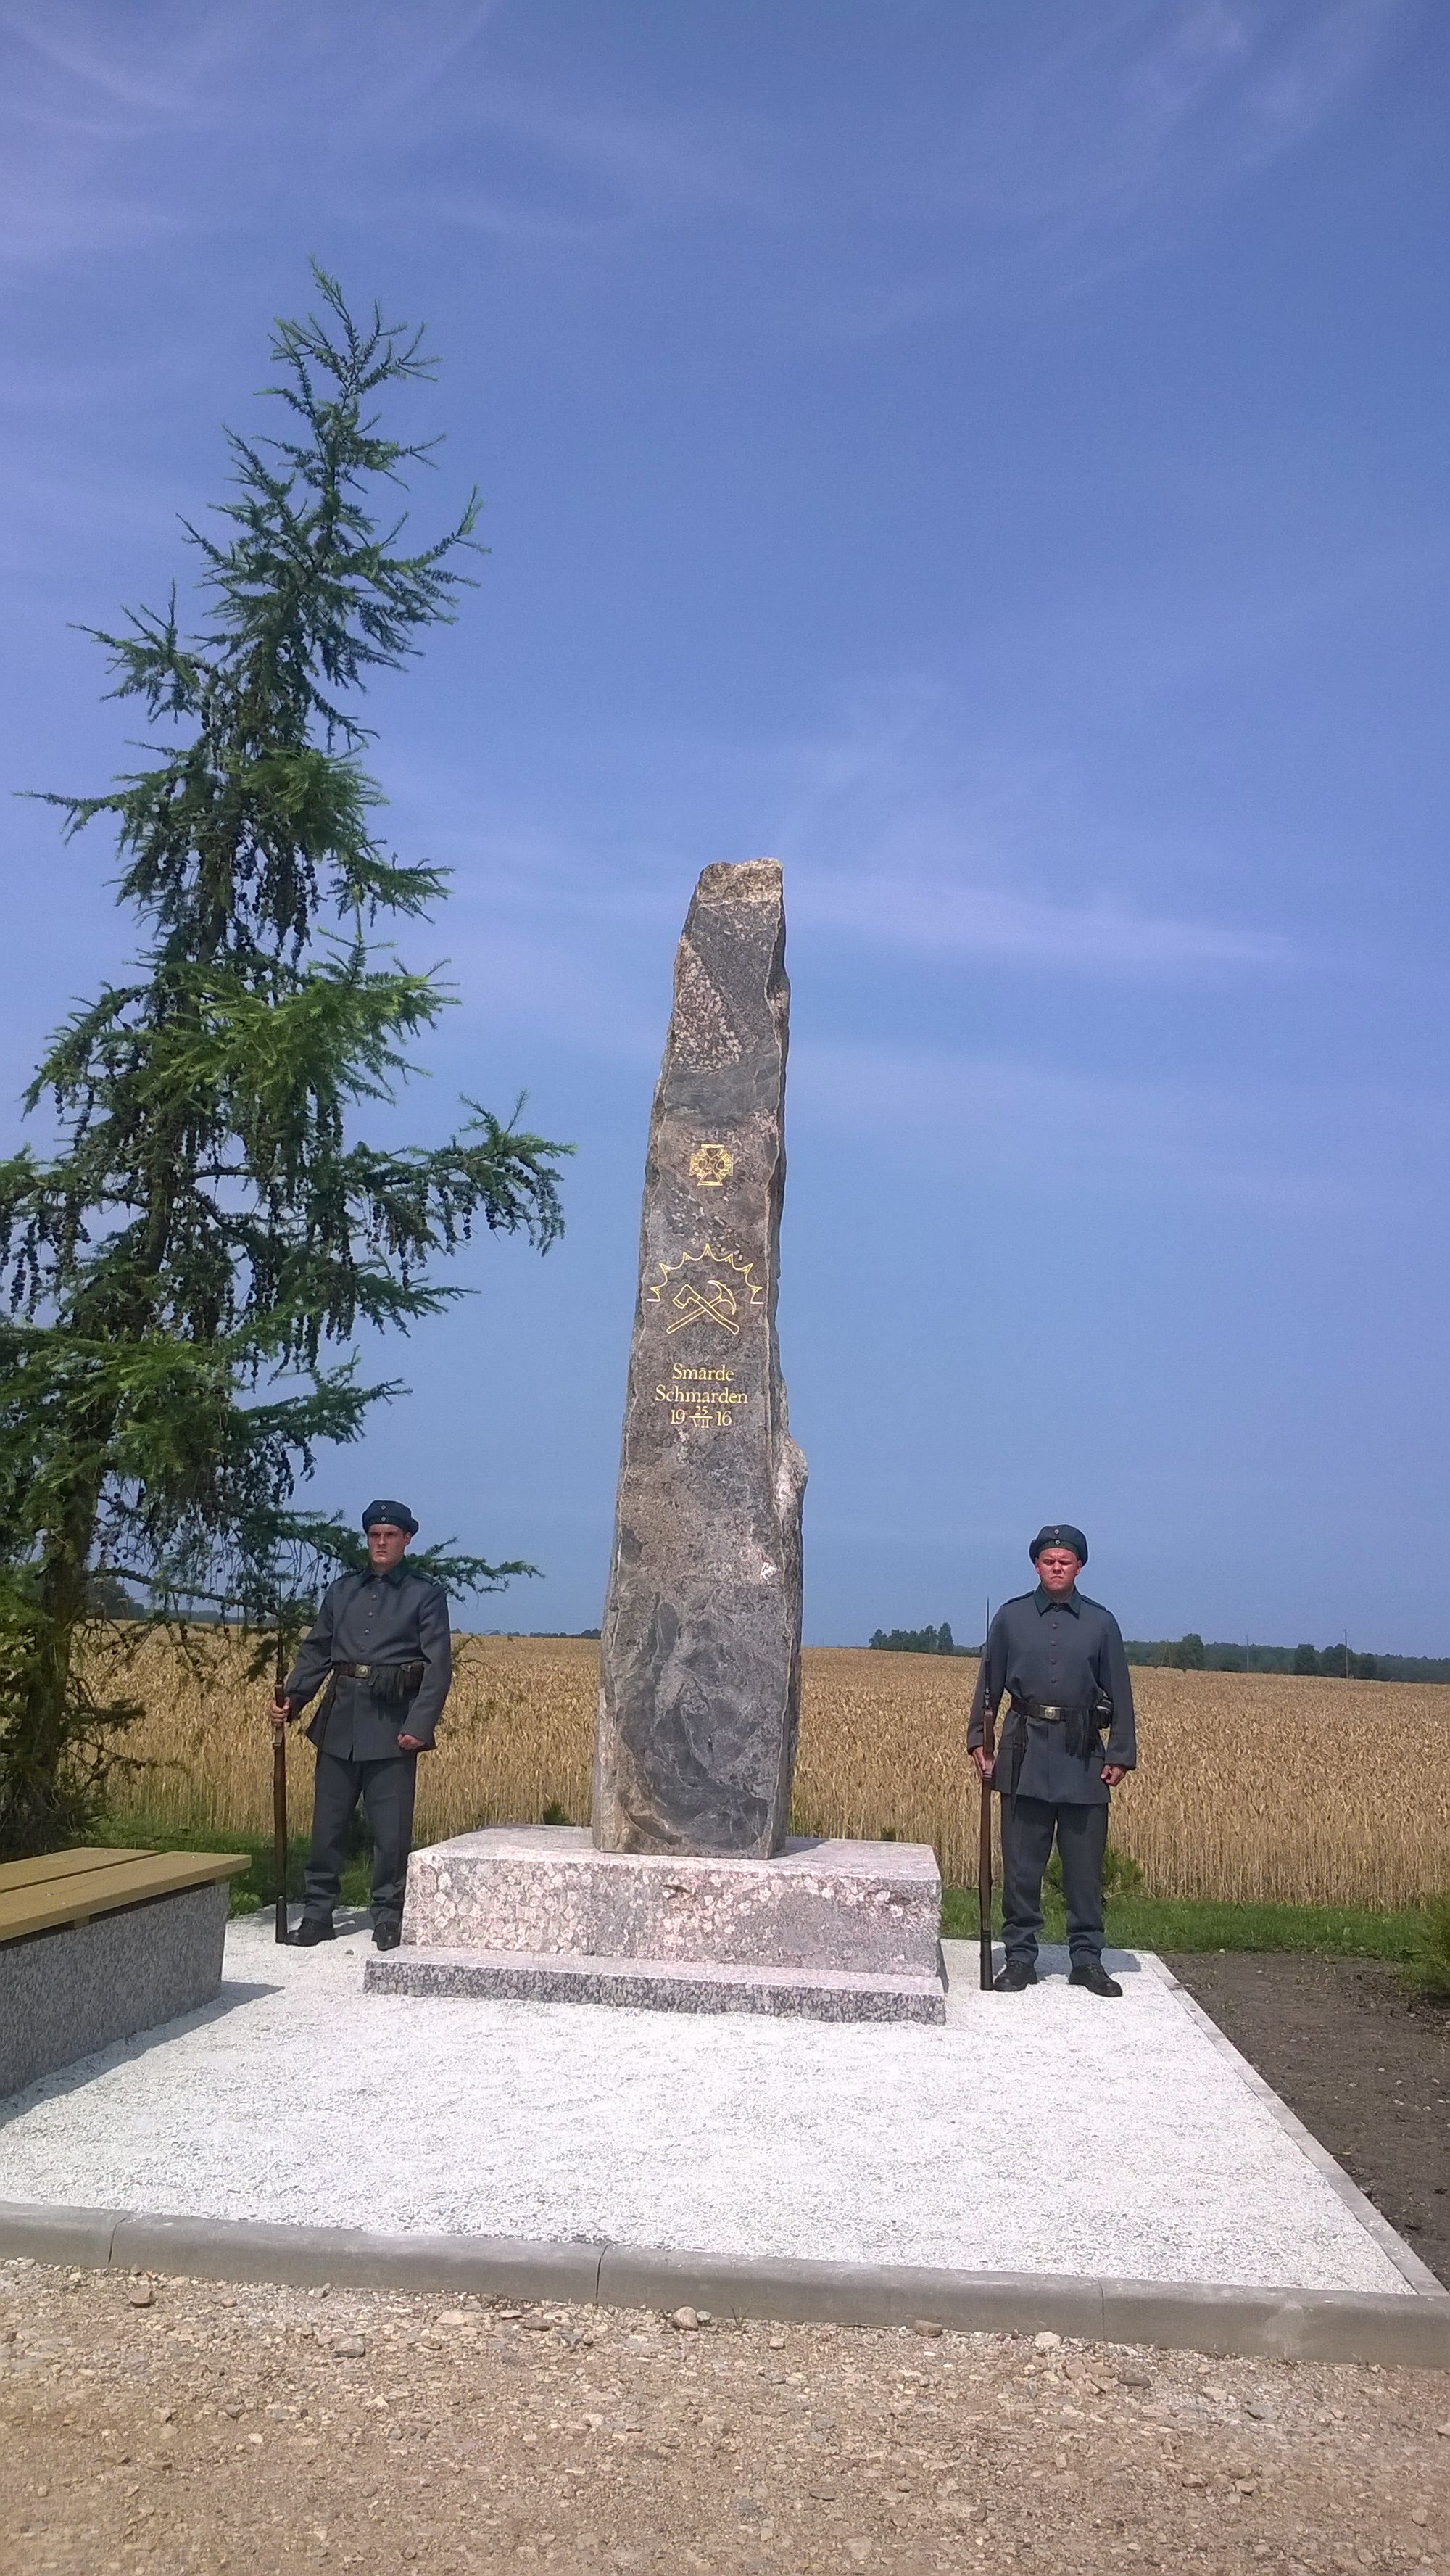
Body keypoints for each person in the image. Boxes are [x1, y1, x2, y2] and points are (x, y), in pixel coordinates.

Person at [271, 1500, 452, 1951]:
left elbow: (437, 1667)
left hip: (393, 1722)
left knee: (391, 1831)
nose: (381, 1543)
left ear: (407, 1539)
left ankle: (388, 1915)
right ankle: (318, 1915)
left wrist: (419, 1725)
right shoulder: (342, 1591)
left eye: (390, 1535)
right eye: (375, 1535)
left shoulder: (425, 1595)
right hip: (340, 1720)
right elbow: (317, 1651)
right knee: (327, 1826)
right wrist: (293, 1699)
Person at [967, 1524, 1136, 1997]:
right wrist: (979, 1740)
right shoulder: (1010, 1618)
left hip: (1083, 1756)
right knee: (1022, 1867)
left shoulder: (1102, 1624)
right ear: (1036, 1565)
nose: (1056, 1567)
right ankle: (1020, 1958)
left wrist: (1120, 1753)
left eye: (1065, 1561)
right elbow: (988, 1688)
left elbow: (1120, 1691)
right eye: (1048, 1561)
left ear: (1079, 1566)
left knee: (1084, 1870)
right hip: (1023, 1753)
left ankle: (1087, 1960)